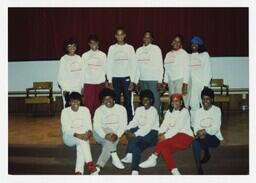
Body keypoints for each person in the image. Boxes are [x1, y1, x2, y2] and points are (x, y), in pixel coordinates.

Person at [139, 93, 193, 175]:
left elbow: (177, 128)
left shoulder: (184, 111)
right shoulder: (169, 112)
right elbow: (164, 124)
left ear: (181, 102)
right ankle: (174, 171)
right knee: (164, 149)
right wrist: (160, 133)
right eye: (173, 101)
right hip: (173, 138)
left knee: (163, 141)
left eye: (177, 101)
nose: (175, 103)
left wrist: (165, 136)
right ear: (170, 103)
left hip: (185, 137)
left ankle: (153, 157)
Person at [121, 89, 159, 175]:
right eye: (143, 99)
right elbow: (134, 122)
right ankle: (129, 155)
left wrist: (134, 134)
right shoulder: (139, 109)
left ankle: (135, 170)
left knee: (137, 147)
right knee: (131, 130)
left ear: (151, 100)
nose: (145, 101)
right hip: (141, 130)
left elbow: (147, 127)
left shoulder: (153, 110)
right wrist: (127, 129)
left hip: (151, 134)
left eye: (147, 100)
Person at [60, 92, 99, 175]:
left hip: (83, 136)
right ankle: (91, 165)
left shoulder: (85, 110)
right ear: (69, 102)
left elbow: (89, 125)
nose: (75, 103)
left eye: (77, 101)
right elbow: (66, 130)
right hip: (69, 137)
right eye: (72, 101)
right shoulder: (65, 112)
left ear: (80, 101)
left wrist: (88, 133)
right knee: (83, 141)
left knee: (81, 145)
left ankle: (78, 172)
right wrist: (79, 135)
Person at [107, 27, 138, 122]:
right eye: (118, 34)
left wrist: (133, 81)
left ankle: (130, 121)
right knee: (115, 101)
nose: (120, 36)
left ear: (124, 35)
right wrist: (110, 80)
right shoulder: (112, 48)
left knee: (128, 102)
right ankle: (116, 120)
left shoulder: (130, 48)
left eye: (122, 34)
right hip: (115, 78)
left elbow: (134, 65)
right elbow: (109, 64)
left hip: (126, 78)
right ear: (115, 36)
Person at [93, 88, 127, 173]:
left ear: (114, 98)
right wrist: (105, 135)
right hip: (100, 134)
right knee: (108, 134)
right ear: (102, 101)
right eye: (105, 99)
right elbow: (96, 126)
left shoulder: (121, 109)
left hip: (115, 135)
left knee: (108, 144)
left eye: (110, 98)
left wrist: (117, 135)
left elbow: (123, 125)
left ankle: (98, 167)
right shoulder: (99, 110)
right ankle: (114, 155)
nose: (108, 101)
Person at [192, 87, 223, 174]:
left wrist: (204, 131)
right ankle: (199, 167)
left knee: (201, 138)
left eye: (207, 99)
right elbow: (196, 127)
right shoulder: (198, 111)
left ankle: (206, 152)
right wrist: (198, 132)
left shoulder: (217, 110)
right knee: (195, 142)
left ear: (212, 99)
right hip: (201, 136)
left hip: (214, 138)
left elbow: (216, 127)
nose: (205, 101)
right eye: (203, 99)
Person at [135, 31, 164, 114]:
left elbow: (160, 65)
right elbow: (136, 67)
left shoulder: (156, 49)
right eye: (145, 37)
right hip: (142, 80)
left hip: (153, 80)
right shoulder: (138, 50)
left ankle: (156, 123)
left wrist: (159, 81)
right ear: (143, 38)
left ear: (152, 39)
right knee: (144, 103)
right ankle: (145, 122)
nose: (146, 39)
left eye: (149, 37)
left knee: (155, 102)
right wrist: (137, 81)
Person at [81, 34, 107, 117]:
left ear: (98, 43)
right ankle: (88, 123)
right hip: (89, 83)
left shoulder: (103, 55)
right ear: (89, 44)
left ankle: (98, 122)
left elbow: (106, 69)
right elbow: (83, 71)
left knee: (99, 104)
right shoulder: (85, 55)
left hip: (100, 83)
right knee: (89, 104)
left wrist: (108, 80)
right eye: (91, 43)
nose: (93, 45)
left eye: (95, 43)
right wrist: (82, 85)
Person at [188, 36, 212, 128]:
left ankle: (206, 124)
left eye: (196, 43)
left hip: (202, 85)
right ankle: (194, 125)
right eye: (192, 43)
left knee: (204, 105)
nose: (194, 45)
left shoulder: (205, 55)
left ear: (200, 45)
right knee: (193, 106)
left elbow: (208, 70)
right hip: (192, 86)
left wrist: (206, 85)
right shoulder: (188, 56)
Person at [163, 34, 191, 108]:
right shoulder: (168, 54)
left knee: (182, 103)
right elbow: (166, 69)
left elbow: (187, 69)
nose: (176, 43)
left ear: (181, 44)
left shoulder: (184, 54)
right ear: (172, 42)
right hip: (171, 81)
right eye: (175, 41)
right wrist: (165, 83)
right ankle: (173, 118)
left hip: (181, 81)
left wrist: (185, 85)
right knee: (172, 102)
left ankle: (183, 118)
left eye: (178, 42)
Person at [58, 38, 83, 108]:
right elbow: (60, 76)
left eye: (74, 45)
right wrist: (64, 89)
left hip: (78, 87)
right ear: (66, 48)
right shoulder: (63, 59)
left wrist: (82, 87)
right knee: (68, 108)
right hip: (68, 88)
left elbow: (82, 74)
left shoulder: (79, 58)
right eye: (69, 46)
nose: (72, 48)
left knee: (78, 107)